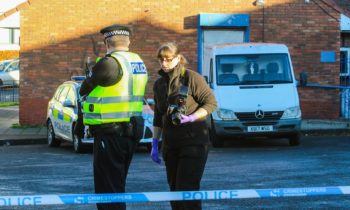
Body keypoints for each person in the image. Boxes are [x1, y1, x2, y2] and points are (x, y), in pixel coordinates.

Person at [79, 24, 148, 210]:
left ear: (106, 43)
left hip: (110, 131)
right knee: (117, 183)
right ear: (129, 41)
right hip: (131, 130)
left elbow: (85, 88)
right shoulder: (137, 61)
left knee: (107, 186)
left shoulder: (109, 63)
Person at [151, 42, 217, 210]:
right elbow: (158, 116)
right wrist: (154, 143)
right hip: (171, 145)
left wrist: (192, 117)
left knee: (186, 189)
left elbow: (211, 104)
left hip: (194, 143)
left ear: (178, 58)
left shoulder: (192, 78)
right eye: (161, 60)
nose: (164, 64)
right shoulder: (159, 84)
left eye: (168, 59)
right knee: (174, 190)